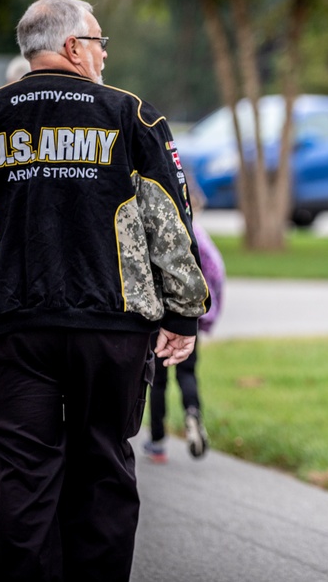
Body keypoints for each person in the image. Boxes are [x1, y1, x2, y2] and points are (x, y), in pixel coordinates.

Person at [0, 0, 209, 582]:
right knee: (103, 471)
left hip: (12, 332)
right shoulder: (133, 116)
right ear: (75, 48)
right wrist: (183, 316)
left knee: (18, 479)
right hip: (112, 333)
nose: (105, 53)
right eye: (100, 40)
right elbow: (172, 226)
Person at [144, 182, 225, 463]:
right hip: (189, 316)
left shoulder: (154, 232)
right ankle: (192, 413)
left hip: (158, 318)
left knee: (159, 381)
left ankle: (157, 442)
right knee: (188, 374)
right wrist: (208, 314)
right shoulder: (198, 237)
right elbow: (216, 274)